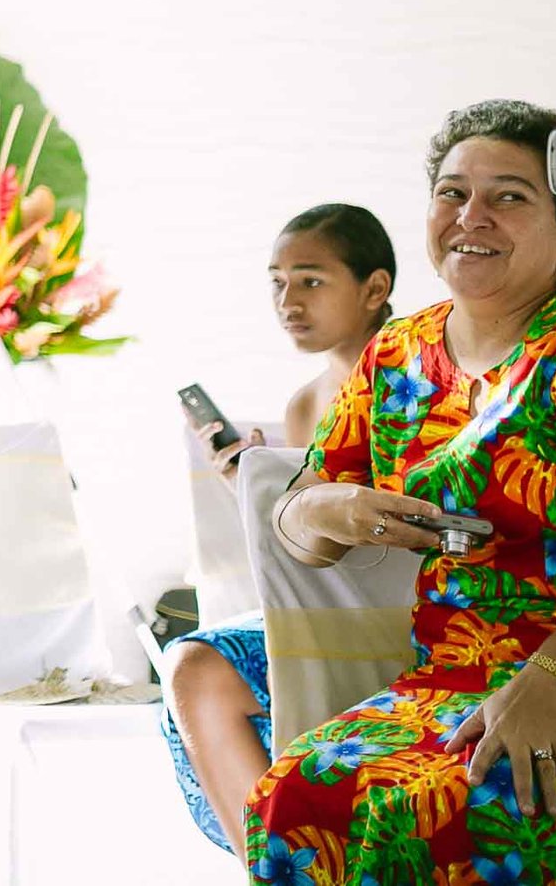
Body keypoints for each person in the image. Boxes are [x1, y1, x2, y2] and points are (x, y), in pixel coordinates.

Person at [252, 101, 556, 884]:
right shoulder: (397, 351)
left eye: (509, 195)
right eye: (452, 192)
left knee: (457, 809)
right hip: (448, 682)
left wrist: (554, 679)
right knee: (293, 796)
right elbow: (295, 514)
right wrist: (332, 508)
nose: (469, 216)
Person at [159, 203, 396, 859]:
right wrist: (252, 488)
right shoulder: (306, 401)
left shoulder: (415, 376)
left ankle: (281, 863)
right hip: (330, 610)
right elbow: (303, 556)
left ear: (374, 289)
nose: (288, 300)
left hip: (410, 613)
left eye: (311, 280)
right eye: (276, 281)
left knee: (195, 665)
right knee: (189, 665)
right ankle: (275, 863)